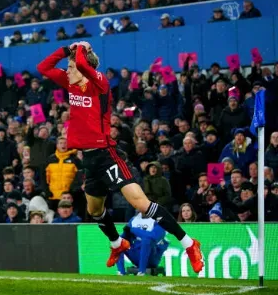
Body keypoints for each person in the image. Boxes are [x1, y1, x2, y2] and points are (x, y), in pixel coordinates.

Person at [37, 41, 203, 272]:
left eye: (71, 66)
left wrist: (82, 49)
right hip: (90, 161)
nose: (68, 70)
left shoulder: (100, 84)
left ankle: (189, 243)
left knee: (141, 203)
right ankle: (117, 244)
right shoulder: (71, 83)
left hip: (108, 155)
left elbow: (84, 65)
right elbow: (43, 67)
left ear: (86, 69)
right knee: (95, 211)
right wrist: (67, 50)